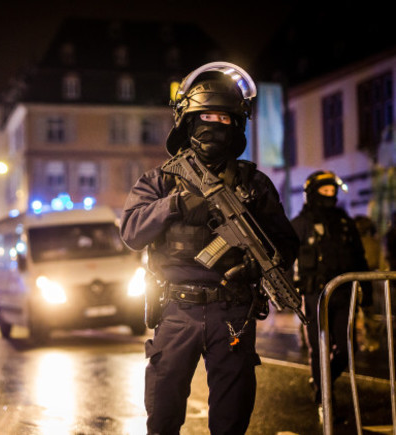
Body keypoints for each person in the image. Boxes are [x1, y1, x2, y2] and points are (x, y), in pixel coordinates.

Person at [120, 62, 299, 435]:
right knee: (164, 415)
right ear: (187, 121)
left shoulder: (253, 185)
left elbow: (285, 243)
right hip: (176, 310)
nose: (214, 125)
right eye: (205, 116)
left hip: (233, 310)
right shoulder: (161, 181)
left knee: (231, 419)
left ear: (237, 125)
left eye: (223, 118)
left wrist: (256, 267)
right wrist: (174, 205)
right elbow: (131, 232)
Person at [291, 170, 370, 421]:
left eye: (331, 190)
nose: (329, 195)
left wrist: (366, 292)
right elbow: (285, 259)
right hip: (315, 295)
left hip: (344, 293)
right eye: (324, 191)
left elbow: (359, 257)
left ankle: (323, 382)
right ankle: (324, 395)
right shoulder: (300, 224)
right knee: (319, 347)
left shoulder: (344, 222)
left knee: (347, 349)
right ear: (313, 193)